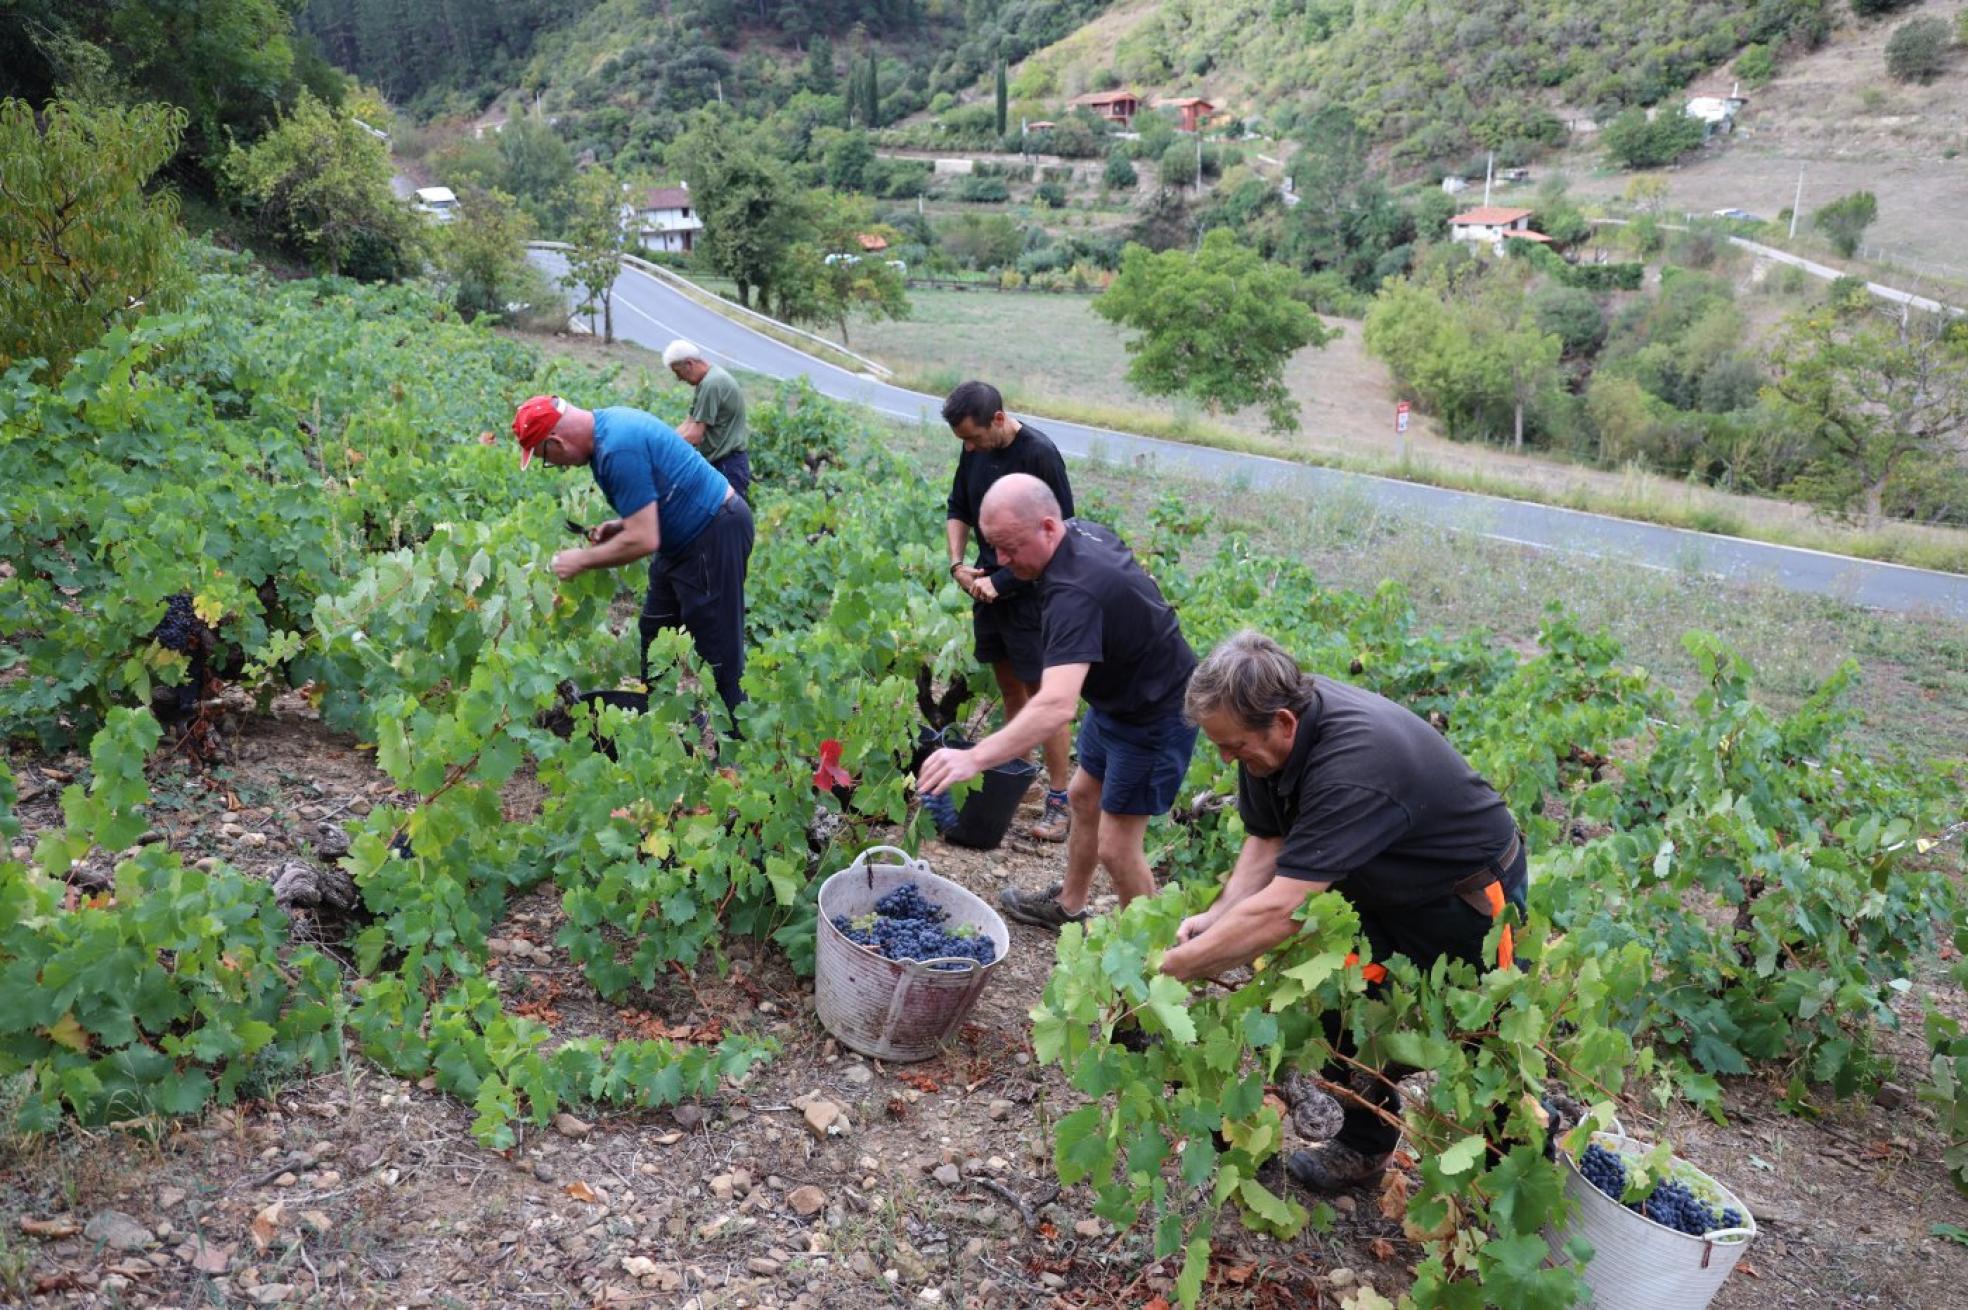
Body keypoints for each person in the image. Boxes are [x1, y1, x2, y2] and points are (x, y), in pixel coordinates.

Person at [1158, 630, 1526, 1193]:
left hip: (1463, 897)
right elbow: (1266, 842)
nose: (1227, 759)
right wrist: (1219, 915)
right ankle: (1363, 1148)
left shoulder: (1356, 762)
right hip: (1373, 878)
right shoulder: (1261, 743)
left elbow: (1284, 908)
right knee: (1343, 1000)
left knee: (1481, 1037)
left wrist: (1183, 967)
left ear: (1283, 722)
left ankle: (1508, 1180)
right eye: (1220, 747)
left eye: (1233, 746)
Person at [917, 473, 1199, 929]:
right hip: (1118, 697)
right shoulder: (1081, 532)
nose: (1002, 561)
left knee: (1117, 847)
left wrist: (976, 759)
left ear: (1048, 527)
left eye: (1010, 548)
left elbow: (1055, 706)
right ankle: (1069, 907)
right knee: (1084, 797)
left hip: (1157, 711)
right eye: (995, 549)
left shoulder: (1075, 593)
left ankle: (1150, 963)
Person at [512, 394, 754, 717]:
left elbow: (643, 539)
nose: (556, 465)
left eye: (547, 457)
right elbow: (651, 504)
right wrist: (620, 525)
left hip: (713, 533)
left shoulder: (617, 450)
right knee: (656, 631)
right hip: (679, 542)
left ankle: (738, 750)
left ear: (556, 442)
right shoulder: (606, 432)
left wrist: (581, 560)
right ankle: (659, 722)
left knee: (719, 650)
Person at [941, 380, 1078, 842]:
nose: (970, 447)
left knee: (1046, 699)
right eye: (964, 440)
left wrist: (1000, 582)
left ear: (998, 420)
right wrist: (959, 564)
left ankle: (1060, 801)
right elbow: (958, 506)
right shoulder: (973, 448)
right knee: (1008, 685)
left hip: (1031, 594)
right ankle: (1021, 773)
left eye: (975, 438)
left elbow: (1062, 535)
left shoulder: (1039, 454)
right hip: (987, 588)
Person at [663, 340, 751, 501]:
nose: (679, 379)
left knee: (728, 519)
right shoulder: (706, 381)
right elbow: (690, 422)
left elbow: (695, 434)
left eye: (678, 372)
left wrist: (663, 448)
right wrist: (664, 438)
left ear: (689, 364)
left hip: (727, 465)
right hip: (719, 462)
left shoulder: (713, 383)